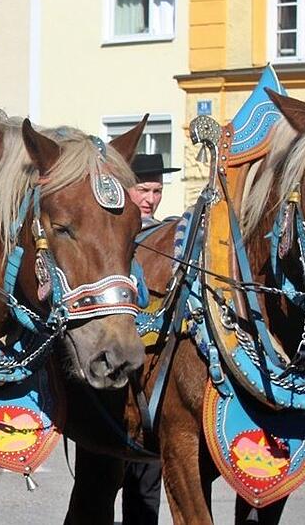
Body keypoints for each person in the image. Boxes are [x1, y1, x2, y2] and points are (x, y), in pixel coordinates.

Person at [121, 153, 180, 525]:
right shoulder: (109, 234)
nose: (151, 199)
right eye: (143, 189)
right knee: (97, 488)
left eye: (157, 190)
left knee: (147, 489)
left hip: (154, 376)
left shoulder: (169, 235)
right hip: (114, 376)